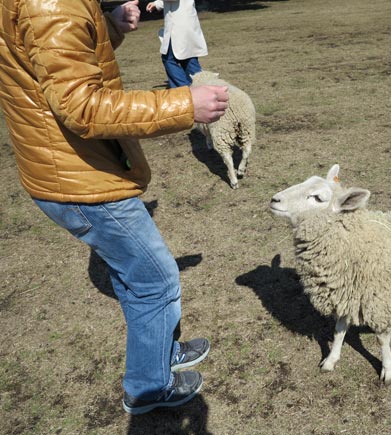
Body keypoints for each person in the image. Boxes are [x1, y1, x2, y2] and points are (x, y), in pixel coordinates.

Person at [0, 0, 229, 415]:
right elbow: (81, 105)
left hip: (76, 168)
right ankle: (148, 387)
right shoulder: (53, 5)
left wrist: (109, 25)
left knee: (135, 276)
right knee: (156, 281)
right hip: (80, 178)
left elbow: (64, 58)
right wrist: (183, 104)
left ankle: (159, 354)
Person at [146, 0, 208, 88]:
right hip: (185, 23)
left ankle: (183, 89)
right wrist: (157, 4)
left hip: (179, 25)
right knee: (188, 58)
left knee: (169, 59)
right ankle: (202, 88)